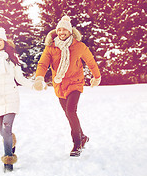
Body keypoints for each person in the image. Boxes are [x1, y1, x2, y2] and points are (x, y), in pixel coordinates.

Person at [33, 16, 101, 157]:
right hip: (59, 85)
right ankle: (82, 136)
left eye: (64, 29)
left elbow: (90, 61)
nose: (61, 32)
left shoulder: (79, 46)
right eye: (59, 29)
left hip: (75, 83)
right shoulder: (51, 47)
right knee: (69, 114)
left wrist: (97, 76)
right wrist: (39, 78)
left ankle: (77, 143)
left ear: (70, 31)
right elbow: (43, 64)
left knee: (71, 111)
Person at [0, 28, 33, 172]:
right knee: (2, 132)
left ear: (5, 42)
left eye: (0, 40)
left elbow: (20, 78)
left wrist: (33, 86)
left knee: (6, 128)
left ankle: (8, 161)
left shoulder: (12, 59)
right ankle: (11, 141)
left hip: (11, 96)